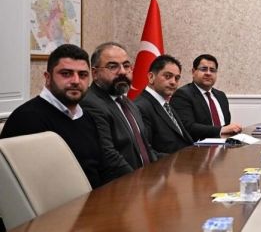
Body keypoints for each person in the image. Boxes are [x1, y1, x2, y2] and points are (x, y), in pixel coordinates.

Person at [0, 44, 114, 188]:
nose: (76, 81)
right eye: (66, 73)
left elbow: (102, 168)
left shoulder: (86, 116)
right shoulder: (27, 119)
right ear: (48, 78)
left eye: (83, 75)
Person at [81, 42, 158, 177]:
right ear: (95, 73)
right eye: (113, 66)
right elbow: (108, 156)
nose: (122, 72)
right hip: (124, 184)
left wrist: (159, 171)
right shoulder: (91, 103)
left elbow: (145, 147)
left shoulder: (128, 103)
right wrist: (141, 181)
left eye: (126, 66)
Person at [171, 54, 242, 141]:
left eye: (212, 70)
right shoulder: (183, 94)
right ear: (193, 72)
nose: (208, 73)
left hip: (225, 145)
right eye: (203, 69)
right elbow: (187, 127)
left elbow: (227, 126)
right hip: (197, 148)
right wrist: (221, 130)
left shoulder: (221, 96)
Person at [134, 55, 193, 154]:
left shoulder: (166, 105)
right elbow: (146, 152)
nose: (173, 82)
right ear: (151, 77)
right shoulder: (140, 107)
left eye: (177, 78)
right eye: (168, 76)